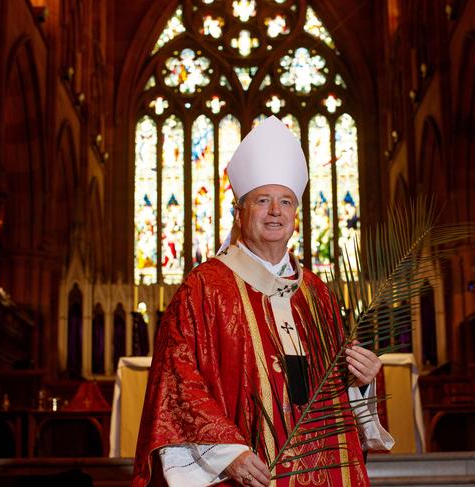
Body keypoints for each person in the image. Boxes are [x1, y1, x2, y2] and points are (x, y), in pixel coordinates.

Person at [132, 116, 392, 487]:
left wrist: (361, 380)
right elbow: (177, 381)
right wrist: (227, 452)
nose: (275, 212)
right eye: (263, 201)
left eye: (285, 202)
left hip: (322, 467)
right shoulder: (204, 288)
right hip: (246, 469)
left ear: (295, 216)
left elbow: (334, 384)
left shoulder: (317, 294)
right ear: (239, 213)